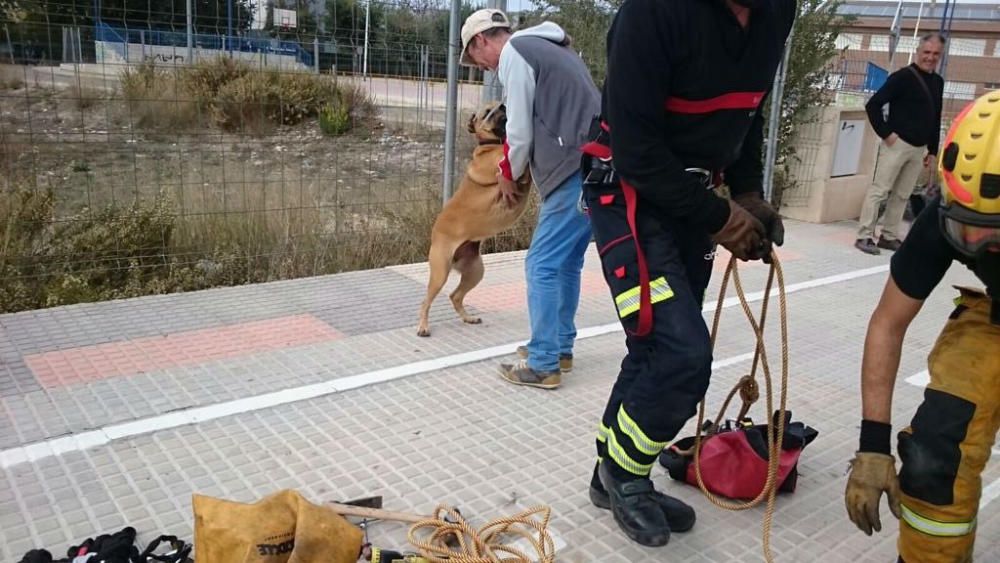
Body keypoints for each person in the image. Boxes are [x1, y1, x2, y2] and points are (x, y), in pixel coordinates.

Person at [578, 0, 795, 547]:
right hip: (627, 190)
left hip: (689, 198)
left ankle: (611, 472)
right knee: (680, 354)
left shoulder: (776, 11)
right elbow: (636, 151)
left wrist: (746, 192)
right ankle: (627, 476)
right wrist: (722, 216)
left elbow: (746, 111)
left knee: (654, 349)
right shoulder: (652, 14)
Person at [844, 90, 1000, 563]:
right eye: (962, 228)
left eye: (989, 233)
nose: (970, 241)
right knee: (935, 457)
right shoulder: (956, 206)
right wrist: (873, 447)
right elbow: (888, 324)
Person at [460, 9, 600, 390]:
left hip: (574, 168)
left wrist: (507, 172)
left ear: (481, 41)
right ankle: (560, 349)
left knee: (540, 264)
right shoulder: (552, 46)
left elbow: (519, 130)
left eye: (477, 60)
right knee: (566, 263)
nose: (486, 69)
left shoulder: (517, 54)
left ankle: (542, 363)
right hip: (596, 165)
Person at [855, 34, 945, 255]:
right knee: (880, 190)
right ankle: (864, 235)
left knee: (902, 194)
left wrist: (933, 150)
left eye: (935, 54)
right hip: (897, 144)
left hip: (918, 148)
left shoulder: (938, 82)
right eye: (927, 52)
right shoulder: (902, 78)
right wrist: (887, 134)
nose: (930, 57)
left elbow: (935, 116)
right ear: (918, 52)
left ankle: (888, 236)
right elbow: (874, 105)